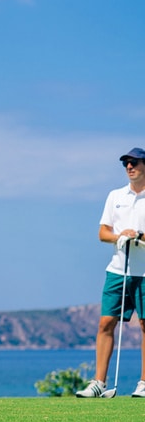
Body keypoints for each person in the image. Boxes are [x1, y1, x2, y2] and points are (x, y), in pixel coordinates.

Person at [76, 148, 145, 398]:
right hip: (117, 271)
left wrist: (137, 235)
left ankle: (144, 383)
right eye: (125, 163)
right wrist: (120, 236)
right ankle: (98, 383)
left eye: (134, 162)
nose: (129, 167)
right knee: (106, 322)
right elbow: (103, 232)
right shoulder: (115, 196)